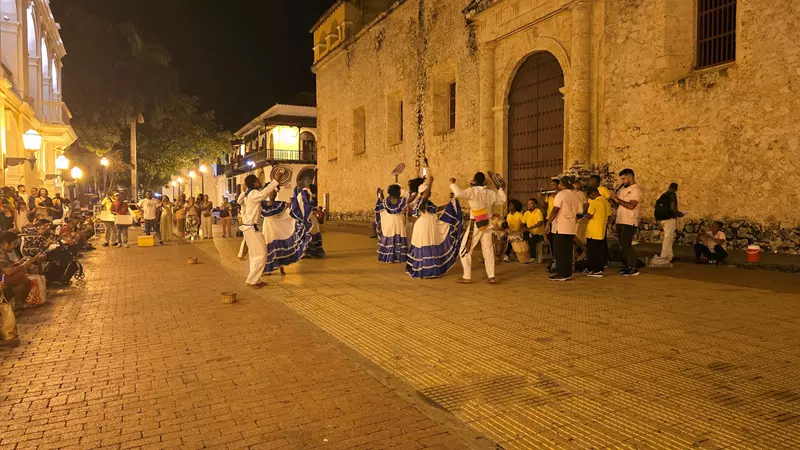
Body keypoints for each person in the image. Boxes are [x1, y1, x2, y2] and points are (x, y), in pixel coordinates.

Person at [451, 172, 507, 284]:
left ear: (475, 180)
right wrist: (500, 188)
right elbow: (503, 200)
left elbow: (457, 193)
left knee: (465, 248)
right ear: (484, 181)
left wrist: (452, 183)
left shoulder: (472, 191)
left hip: (476, 223)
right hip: (488, 223)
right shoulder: (490, 193)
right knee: (488, 250)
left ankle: (467, 276)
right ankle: (491, 276)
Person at [406, 174, 464, 278]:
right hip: (424, 226)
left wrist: (450, 203)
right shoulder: (421, 200)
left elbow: (437, 209)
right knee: (425, 244)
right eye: (427, 190)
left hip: (428, 224)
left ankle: (430, 269)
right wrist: (430, 182)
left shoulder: (427, 202)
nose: (430, 192)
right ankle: (424, 270)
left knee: (429, 243)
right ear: (423, 192)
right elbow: (425, 196)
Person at [261, 185, 313, 275]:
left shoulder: (280, 204)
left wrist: (300, 196)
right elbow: (265, 213)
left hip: (278, 228)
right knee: (267, 247)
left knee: (279, 247)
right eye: (271, 192)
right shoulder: (263, 205)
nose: (272, 193)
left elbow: (291, 211)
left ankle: (281, 267)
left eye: (274, 191)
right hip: (267, 227)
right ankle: (266, 268)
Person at [239, 174, 279, 289]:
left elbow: (239, 200)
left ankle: (254, 280)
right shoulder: (253, 193)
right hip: (251, 228)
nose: (259, 182)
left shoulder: (248, 194)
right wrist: (275, 181)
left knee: (255, 255)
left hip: (249, 228)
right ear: (254, 183)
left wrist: (244, 191)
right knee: (261, 254)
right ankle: (252, 281)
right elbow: (263, 194)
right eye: (257, 181)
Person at [546, 176, 583, 281]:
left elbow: (555, 209)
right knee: (567, 251)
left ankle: (561, 273)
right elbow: (579, 211)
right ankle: (567, 273)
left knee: (560, 252)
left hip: (561, 227)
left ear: (561, 184)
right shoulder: (576, 195)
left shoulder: (561, 194)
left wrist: (548, 222)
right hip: (571, 227)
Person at [610, 168, 643, 276]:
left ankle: (633, 267)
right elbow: (619, 205)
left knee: (626, 244)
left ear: (630, 177)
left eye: (624, 179)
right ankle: (628, 266)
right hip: (621, 220)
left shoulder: (636, 190)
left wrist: (618, 200)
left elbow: (631, 205)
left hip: (629, 221)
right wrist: (612, 201)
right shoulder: (623, 189)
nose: (622, 181)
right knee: (622, 244)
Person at [0, 231, 40, 308]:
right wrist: (25, 265)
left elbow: (6, 267)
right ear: (5, 243)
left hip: (3, 277)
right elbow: (8, 271)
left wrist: (20, 262)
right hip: (1, 279)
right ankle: (18, 304)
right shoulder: (1, 253)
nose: (14, 246)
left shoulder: (3, 253)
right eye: (13, 244)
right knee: (21, 276)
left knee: (23, 278)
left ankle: (19, 303)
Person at [581, 188, 612, 277]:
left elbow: (589, 215)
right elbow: (609, 217)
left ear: (593, 194)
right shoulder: (606, 202)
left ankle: (594, 270)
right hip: (601, 230)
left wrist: (582, 215)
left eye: (590, 196)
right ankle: (599, 269)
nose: (590, 198)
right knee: (599, 251)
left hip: (593, 231)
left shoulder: (594, 202)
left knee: (592, 252)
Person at [375, 184, 408, 263]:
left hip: (389, 221)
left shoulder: (387, 200)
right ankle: (399, 257)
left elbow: (382, 202)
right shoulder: (403, 200)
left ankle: (388, 256)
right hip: (399, 221)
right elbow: (406, 204)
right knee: (399, 236)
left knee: (389, 236)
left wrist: (380, 194)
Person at [653, 183, 684, 263]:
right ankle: (663, 256)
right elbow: (673, 208)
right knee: (667, 238)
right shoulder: (672, 195)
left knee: (669, 237)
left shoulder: (663, 195)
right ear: (676, 189)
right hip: (669, 219)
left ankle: (670, 256)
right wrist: (680, 213)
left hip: (662, 219)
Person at [521, 198, 545, 262]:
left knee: (531, 239)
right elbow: (523, 223)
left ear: (535, 205)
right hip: (530, 232)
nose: (529, 205)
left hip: (538, 234)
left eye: (531, 204)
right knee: (523, 235)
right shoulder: (526, 213)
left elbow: (540, 223)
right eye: (528, 204)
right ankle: (523, 254)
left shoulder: (538, 211)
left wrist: (530, 228)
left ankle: (533, 257)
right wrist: (524, 228)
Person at [306, 184, 325, 257]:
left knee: (311, 234)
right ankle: (316, 252)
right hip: (313, 220)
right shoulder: (313, 199)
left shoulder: (309, 199)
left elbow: (312, 209)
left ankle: (310, 253)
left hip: (311, 220)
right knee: (314, 233)